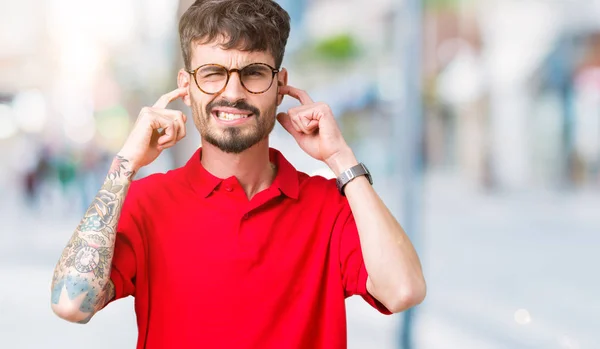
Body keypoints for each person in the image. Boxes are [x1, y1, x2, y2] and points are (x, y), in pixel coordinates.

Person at [50, 1, 426, 348]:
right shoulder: (146, 202)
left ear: (280, 86)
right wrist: (125, 165)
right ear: (186, 85)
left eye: (254, 73)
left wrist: (341, 158)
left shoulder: (330, 205)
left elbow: (403, 290)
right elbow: (71, 303)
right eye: (212, 73)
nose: (233, 92)